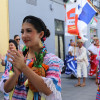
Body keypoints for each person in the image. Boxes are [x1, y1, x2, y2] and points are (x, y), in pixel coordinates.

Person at [1, 15, 64, 100]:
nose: (24, 35)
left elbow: (49, 91)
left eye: (29, 31)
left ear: (41, 34)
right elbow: (6, 89)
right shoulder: (17, 58)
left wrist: (23, 67)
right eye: (22, 32)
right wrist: (16, 74)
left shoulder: (51, 60)